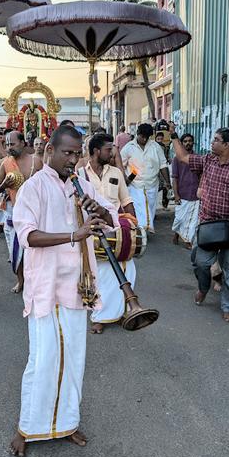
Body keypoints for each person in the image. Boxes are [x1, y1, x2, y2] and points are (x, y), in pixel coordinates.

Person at [9, 125, 118, 457]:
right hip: (46, 286)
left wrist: (99, 212)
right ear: (49, 151)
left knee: (73, 360)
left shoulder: (81, 185)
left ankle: (66, 423)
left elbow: (112, 219)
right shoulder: (33, 188)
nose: (72, 159)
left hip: (78, 286)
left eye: (77, 153)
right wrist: (75, 234)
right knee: (42, 360)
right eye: (67, 153)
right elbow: (28, 236)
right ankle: (27, 428)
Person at [169, 123, 229, 323]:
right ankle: (204, 287)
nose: (212, 143)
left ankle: (228, 307)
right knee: (200, 262)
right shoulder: (208, 161)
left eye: (216, 140)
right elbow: (182, 157)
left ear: (227, 145)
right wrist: (173, 135)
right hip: (208, 226)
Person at [78, 133, 136, 334]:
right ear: (96, 151)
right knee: (98, 273)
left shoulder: (116, 173)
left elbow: (126, 201)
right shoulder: (79, 174)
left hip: (115, 230)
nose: (112, 153)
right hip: (91, 230)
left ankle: (119, 312)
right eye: (108, 149)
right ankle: (99, 316)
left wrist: (134, 226)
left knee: (126, 268)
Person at [0, 131, 43, 293]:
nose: (9, 147)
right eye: (7, 144)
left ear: (23, 143)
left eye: (12, 144)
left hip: (35, 211)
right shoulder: (4, 163)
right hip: (13, 212)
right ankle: (21, 280)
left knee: (35, 249)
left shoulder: (36, 162)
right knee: (15, 251)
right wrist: (3, 186)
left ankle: (36, 281)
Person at [121, 123, 171, 233]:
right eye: (142, 136)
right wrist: (126, 179)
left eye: (147, 137)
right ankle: (141, 231)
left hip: (152, 184)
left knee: (150, 210)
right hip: (135, 185)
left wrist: (168, 182)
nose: (144, 139)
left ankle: (145, 229)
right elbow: (120, 165)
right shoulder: (129, 147)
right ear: (137, 134)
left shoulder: (155, 147)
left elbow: (163, 165)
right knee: (140, 209)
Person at [171, 133, 199, 248]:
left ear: (193, 143)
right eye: (185, 141)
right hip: (182, 194)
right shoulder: (177, 159)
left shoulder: (197, 158)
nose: (188, 143)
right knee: (180, 218)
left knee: (192, 220)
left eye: (190, 141)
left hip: (195, 193)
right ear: (181, 144)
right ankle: (177, 233)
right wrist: (176, 194)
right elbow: (174, 178)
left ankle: (188, 240)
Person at [155, 131, 170, 209]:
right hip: (155, 170)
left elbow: (166, 158)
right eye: (158, 139)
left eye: (161, 139)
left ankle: (165, 203)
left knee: (165, 186)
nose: (160, 140)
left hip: (162, 170)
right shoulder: (153, 147)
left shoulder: (164, 147)